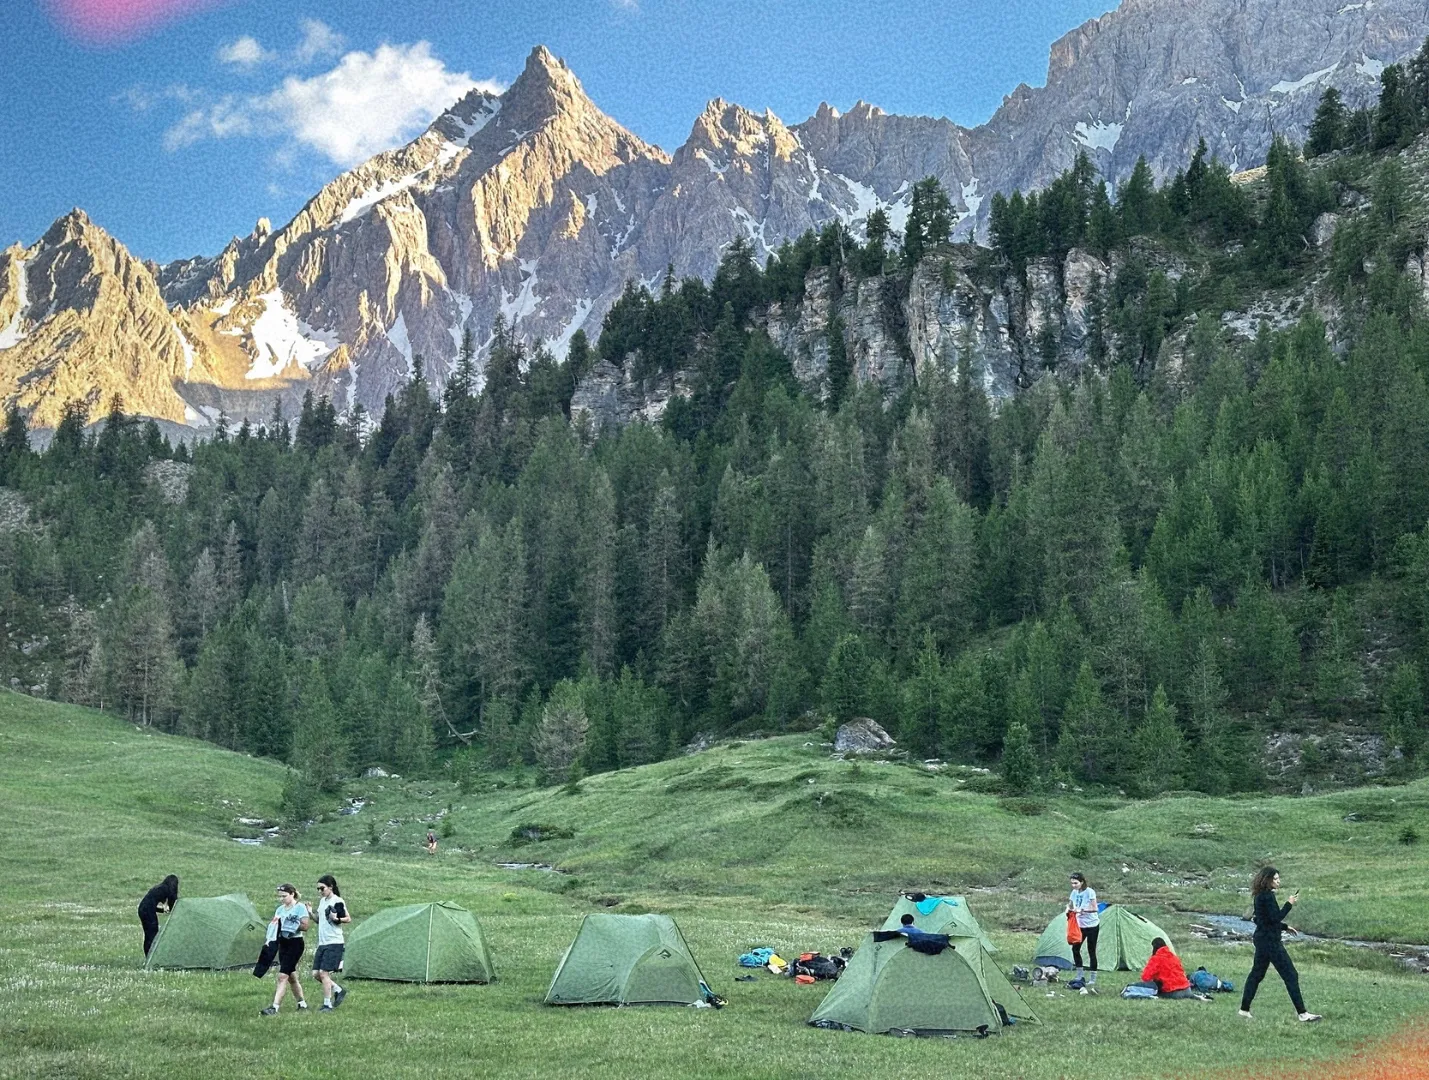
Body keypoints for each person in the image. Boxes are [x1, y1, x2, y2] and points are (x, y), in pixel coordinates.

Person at [1239, 866, 1321, 1022]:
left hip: (1262, 940)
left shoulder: (1259, 896)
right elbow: (1275, 917)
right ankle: (1303, 1014)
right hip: (1270, 942)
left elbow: (1263, 920)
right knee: (1291, 975)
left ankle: (1244, 1010)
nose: (1278, 881)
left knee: (1256, 975)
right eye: (1275, 879)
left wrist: (1285, 927)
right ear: (1267, 880)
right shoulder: (1267, 897)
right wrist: (1289, 904)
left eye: (1278, 878)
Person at [261, 884, 311, 1016]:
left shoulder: (300, 907)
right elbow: (275, 925)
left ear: (292, 894)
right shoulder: (279, 910)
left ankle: (274, 1007)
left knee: (282, 976)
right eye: (280, 897)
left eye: (284, 896)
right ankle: (302, 1004)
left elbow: (305, 926)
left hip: (295, 944)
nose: (281, 899)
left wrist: (291, 926)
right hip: (283, 943)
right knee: (291, 977)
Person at [312, 874, 351, 1012]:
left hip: (334, 942)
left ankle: (327, 1004)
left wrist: (337, 918)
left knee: (324, 973)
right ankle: (338, 990)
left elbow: (347, 918)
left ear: (330, 887)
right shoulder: (323, 901)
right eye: (318, 889)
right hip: (323, 942)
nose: (320, 892)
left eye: (322, 888)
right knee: (316, 973)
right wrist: (310, 913)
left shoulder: (337, 901)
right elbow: (318, 920)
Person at [1136, 938, 1204, 999]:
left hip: (1174, 992)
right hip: (1187, 989)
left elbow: (1145, 977)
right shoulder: (1174, 957)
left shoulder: (1156, 958)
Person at [1066, 871, 1100, 994]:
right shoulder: (1074, 892)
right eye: (1072, 883)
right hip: (1079, 925)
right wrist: (1068, 910)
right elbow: (1070, 904)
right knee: (1075, 949)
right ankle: (1079, 976)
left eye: (1075, 883)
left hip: (1091, 925)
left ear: (1082, 882)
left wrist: (1082, 909)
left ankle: (1092, 978)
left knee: (1091, 950)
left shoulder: (1089, 892)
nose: (1073, 885)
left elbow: (1094, 907)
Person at [138, 874, 179, 956]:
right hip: (148, 910)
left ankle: (149, 955)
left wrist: (162, 910)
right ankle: (151, 956)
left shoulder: (160, 888)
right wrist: (173, 911)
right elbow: (173, 903)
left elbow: (149, 904)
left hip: (142, 909)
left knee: (149, 933)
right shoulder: (167, 890)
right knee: (152, 933)